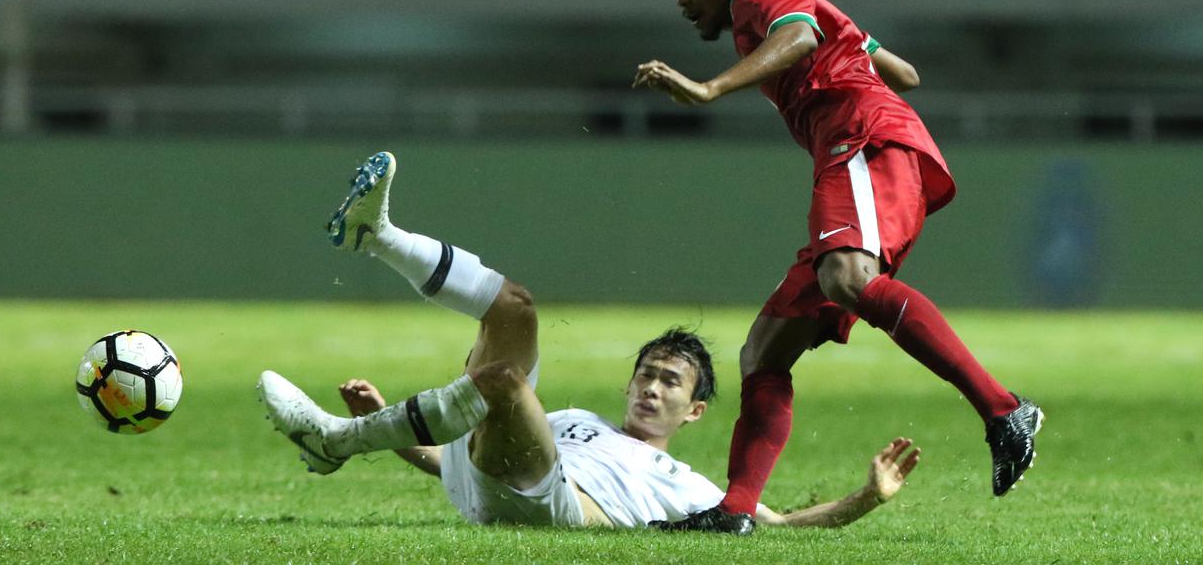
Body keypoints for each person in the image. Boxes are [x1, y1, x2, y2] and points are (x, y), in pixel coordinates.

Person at [633, 0, 1044, 533]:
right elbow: (906, 74)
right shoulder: (796, 2)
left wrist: (710, 89)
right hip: (860, 149)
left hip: (861, 143)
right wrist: (855, 42)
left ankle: (1003, 409)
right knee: (763, 351)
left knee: (847, 278)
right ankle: (736, 512)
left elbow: (799, 40)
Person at [258, 151, 920, 530]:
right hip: (498, 477)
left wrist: (865, 498)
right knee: (515, 306)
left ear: (694, 412)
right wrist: (397, 435)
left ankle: (335, 444)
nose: (652, 387)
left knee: (505, 383)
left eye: (671, 382)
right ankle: (377, 237)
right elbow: (450, 464)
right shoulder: (577, 421)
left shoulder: (681, 483)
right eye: (648, 374)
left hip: (545, 502)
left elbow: (773, 527)